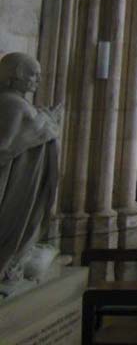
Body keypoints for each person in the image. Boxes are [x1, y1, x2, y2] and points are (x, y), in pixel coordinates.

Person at [0, 53, 62, 283]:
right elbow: (6, 146)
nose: (38, 80)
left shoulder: (17, 102)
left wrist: (45, 120)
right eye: (33, 74)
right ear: (16, 74)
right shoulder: (13, 104)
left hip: (25, 177)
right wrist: (44, 124)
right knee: (13, 228)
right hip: (14, 181)